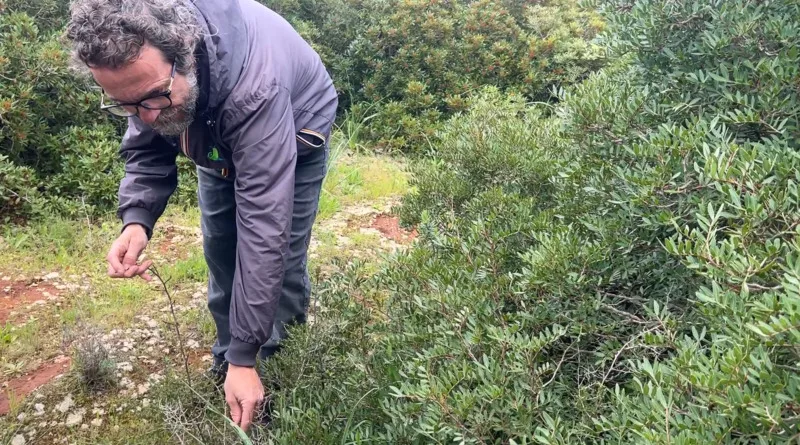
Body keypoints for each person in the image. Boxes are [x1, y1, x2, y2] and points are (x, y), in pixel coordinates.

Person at [66, 0, 338, 431]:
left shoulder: (256, 89)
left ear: (185, 56)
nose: (147, 115)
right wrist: (136, 218)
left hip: (292, 132)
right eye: (126, 105)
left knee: (279, 262)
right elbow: (147, 141)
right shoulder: (147, 76)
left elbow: (263, 230)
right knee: (220, 254)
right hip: (214, 137)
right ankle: (228, 361)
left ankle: (274, 377)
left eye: (153, 97)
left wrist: (247, 357)